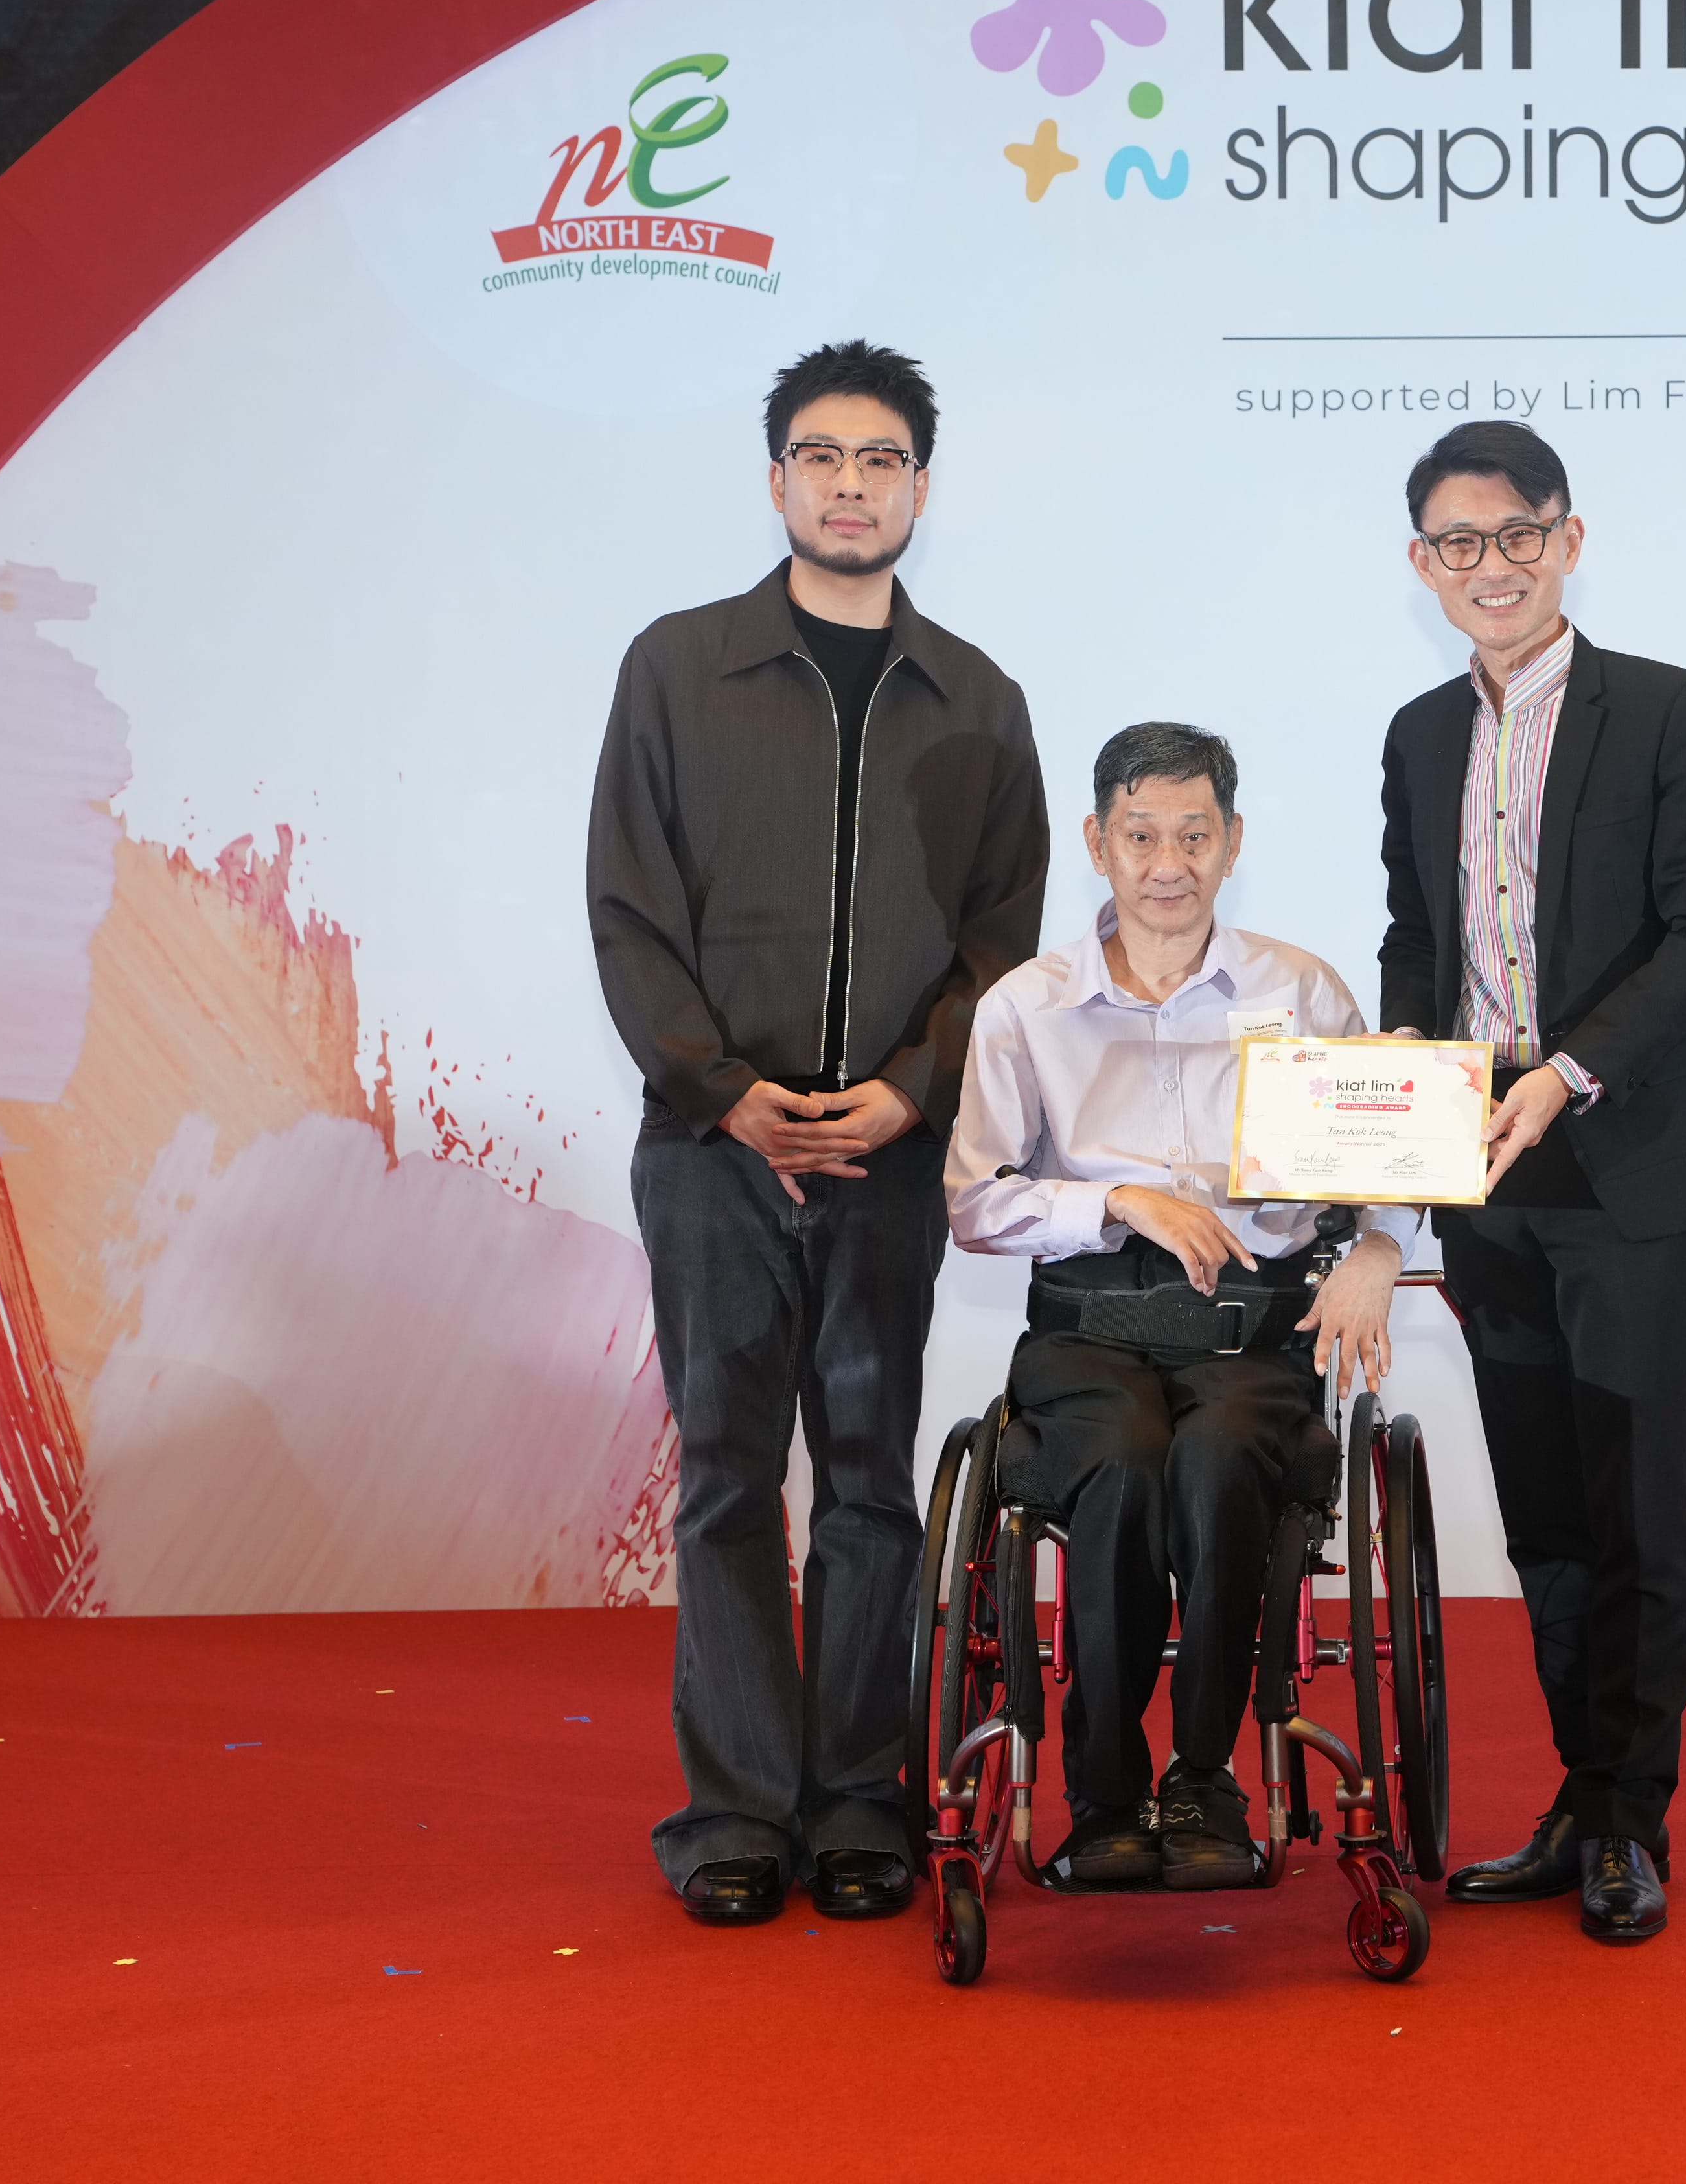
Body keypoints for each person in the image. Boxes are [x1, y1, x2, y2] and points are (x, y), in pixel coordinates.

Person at [587, 341, 1048, 1927]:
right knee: (726, 1479)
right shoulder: (678, 668)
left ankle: (859, 1798)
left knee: (866, 1482)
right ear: (776, 476)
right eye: (821, 456)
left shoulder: (979, 699)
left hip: (889, 1158)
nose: (851, 484)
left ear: (923, 484)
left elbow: (1006, 942)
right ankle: (732, 1810)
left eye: (882, 459)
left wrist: (913, 1090)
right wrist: (726, 1092)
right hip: (716, 1154)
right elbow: (629, 911)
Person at [1376, 419, 1686, 1945]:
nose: (1494, 567)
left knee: (1635, 1514)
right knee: (1541, 1516)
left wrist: (1563, 1070)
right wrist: (1402, 1109)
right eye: (1460, 545)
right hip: (1488, 1184)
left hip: (1634, 1173)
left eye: (1519, 535)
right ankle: (1579, 1793)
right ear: (1424, 566)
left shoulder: (1670, 711)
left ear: (1570, 539)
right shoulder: (1416, 734)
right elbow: (1418, 938)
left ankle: (1630, 1822)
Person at [947, 722, 1411, 1887]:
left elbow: (1392, 1154)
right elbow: (974, 1202)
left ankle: (1205, 1782)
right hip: (1089, 1326)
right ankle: (1102, 1796)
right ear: (1099, 844)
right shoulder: (1027, 1006)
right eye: (1142, 835)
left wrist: (1381, 1249)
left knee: (1214, 1468)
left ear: (1234, 843)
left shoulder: (1299, 990)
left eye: (1195, 835)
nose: (1170, 862)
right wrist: (1119, 1203)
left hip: (1251, 1330)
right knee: (1118, 1464)